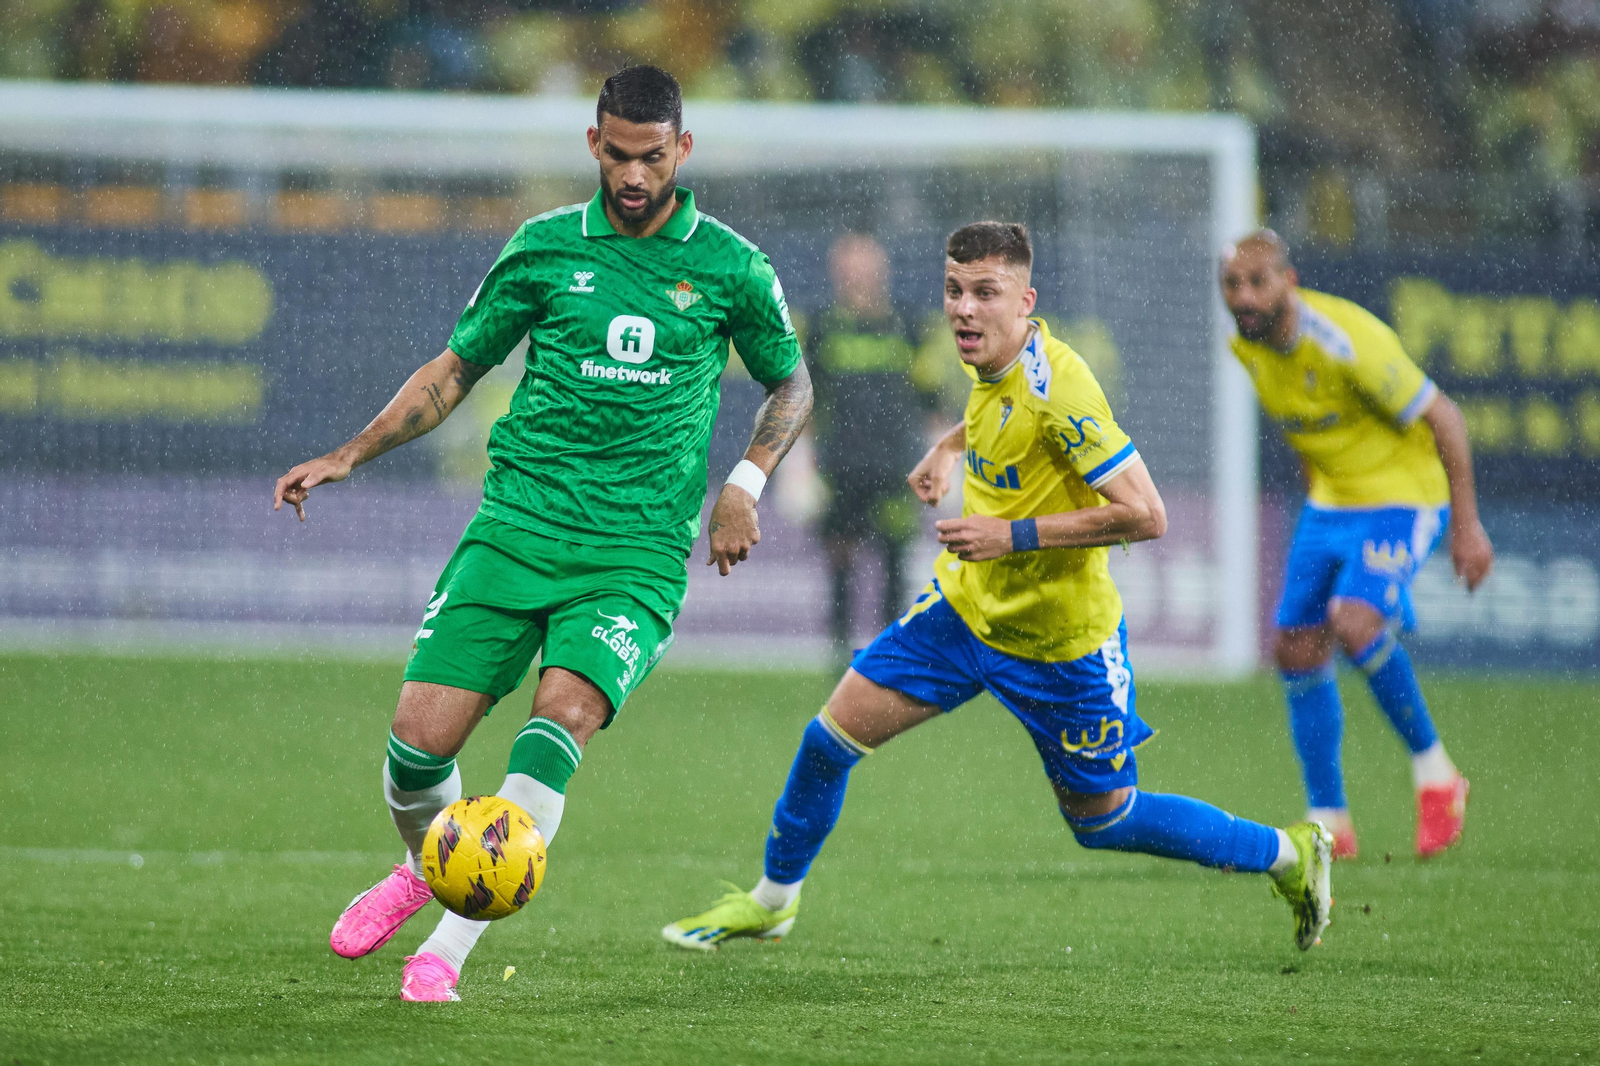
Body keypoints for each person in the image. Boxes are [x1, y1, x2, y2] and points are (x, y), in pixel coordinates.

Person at [271, 65, 813, 1002]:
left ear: (682, 151)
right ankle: (429, 863)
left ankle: (447, 947)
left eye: (651, 157)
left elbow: (792, 383)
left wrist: (745, 484)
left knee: (559, 716)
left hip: (634, 552)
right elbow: (454, 371)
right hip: (516, 527)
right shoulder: (543, 249)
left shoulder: (731, 267)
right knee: (415, 750)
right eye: (617, 154)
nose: (633, 175)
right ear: (593, 145)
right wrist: (351, 454)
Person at [662, 222, 1333, 956]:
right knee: (829, 740)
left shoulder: (1063, 390)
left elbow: (1147, 514)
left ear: (1026, 301)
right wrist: (949, 446)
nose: (964, 309)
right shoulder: (994, 363)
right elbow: (999, 412)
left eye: (985, 293)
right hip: (966, 611)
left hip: (1062, 645)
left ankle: (1288, 854)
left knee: (1103, 820)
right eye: (954, 291)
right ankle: (773, 902)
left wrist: (1010, 536)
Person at [1219, 229, 1491, 861]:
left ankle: (1438, 776)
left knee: (1353, 618)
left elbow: (1444, 416)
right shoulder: (1247, 346)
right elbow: (1308, 432)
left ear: (1290, 281)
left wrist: (1466, 526)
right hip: (1331, 504)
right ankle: (1330, 820)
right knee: (1294, 645)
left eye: (1257, 282)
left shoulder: (1346, 340)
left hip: (1402, 496)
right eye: (1232, 284)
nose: (1243, 296)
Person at [809, 233, 928, 663]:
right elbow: (805, 398)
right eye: (848, 268)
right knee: (841, 558)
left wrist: (940, 459)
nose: (856, 277)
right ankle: (840, 654)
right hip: (840, 465)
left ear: (882, 272)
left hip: (895, 465)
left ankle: (891, 653)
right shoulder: (823, 326)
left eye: (864, 267)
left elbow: (930, 395)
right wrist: (799, 464)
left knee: (895, 558)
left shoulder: (907, 324)